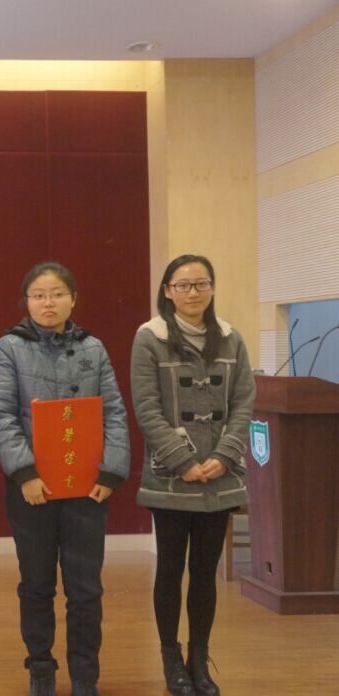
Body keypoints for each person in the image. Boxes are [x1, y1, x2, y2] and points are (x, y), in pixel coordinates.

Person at [0, 261, 130, 696]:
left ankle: (85, 676)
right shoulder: (10, 347)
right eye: (39, 295)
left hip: (87, 488)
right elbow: (1, 413)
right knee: (36, 586)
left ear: (73, 299)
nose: (48, 302)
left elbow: (114, 412)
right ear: (27, 302)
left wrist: (111, 471)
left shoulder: (93, 348)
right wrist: (24, 473)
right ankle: (41, 670)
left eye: (57, 294)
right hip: (33, 491)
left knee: (86, 590)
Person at [131, 255, 254, 696]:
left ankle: (199, 661)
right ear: (167, 291)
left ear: (212, 288)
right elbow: (147, 407)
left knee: (205, 573)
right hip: (171, 477)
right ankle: (172, 661)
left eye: (201, 283)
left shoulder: (231, 337)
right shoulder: (150, 337)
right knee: (169, 570)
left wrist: (225, 454)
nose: (193, 292)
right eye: (182, 285)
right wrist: (183, 460)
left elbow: (243, 401)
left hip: (219, 476)